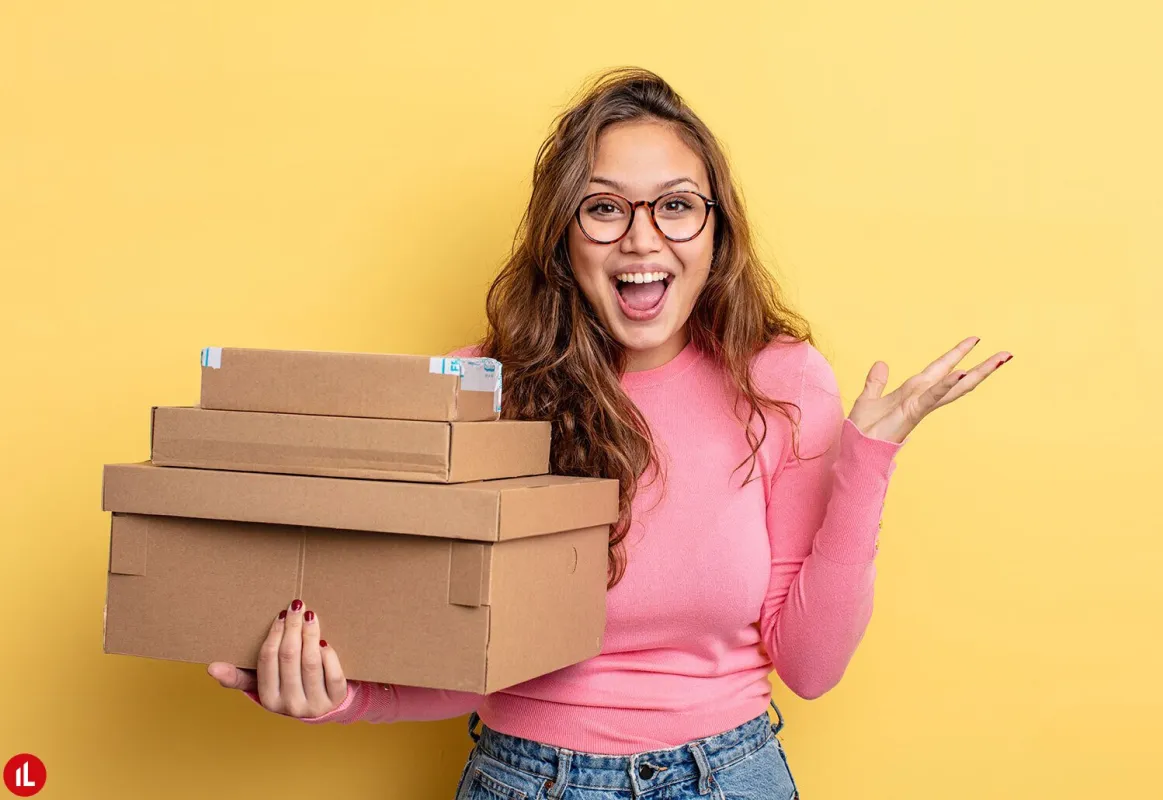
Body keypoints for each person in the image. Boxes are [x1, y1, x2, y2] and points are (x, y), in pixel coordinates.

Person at [207, 67, 1011, 799]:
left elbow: (811, 665)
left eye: (675, 205)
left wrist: (865, 463)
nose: (641, 237)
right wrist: (336, 698)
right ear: (563, 236)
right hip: (525, 780)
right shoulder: (480, 391)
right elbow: (466, 659)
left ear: (715, 230)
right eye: (603, 207)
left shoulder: (783, 382)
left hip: (731, 778)